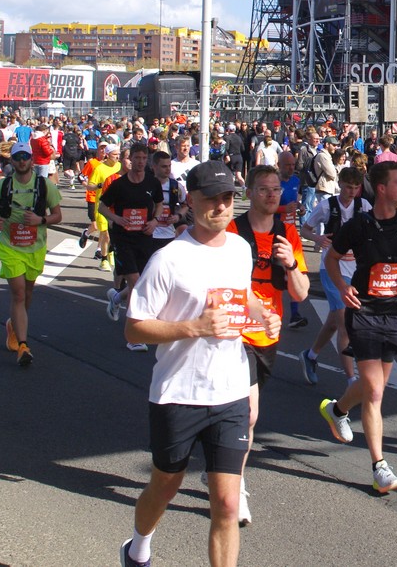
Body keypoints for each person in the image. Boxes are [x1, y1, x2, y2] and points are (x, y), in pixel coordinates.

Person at [120, 160, 280, 567]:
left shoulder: (240, 249)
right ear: (191, 200)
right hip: (178, 393)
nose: (221, 207)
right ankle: (137, 548)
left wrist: (262, 314)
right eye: (211, 199)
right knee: (165, 485)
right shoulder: (169, 260)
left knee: (226, 503)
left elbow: (243, 294)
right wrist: (193, 327)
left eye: (227, 198)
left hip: (230, 392)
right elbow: (134, 329)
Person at [318, 160, 397, 493]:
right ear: (381, 188)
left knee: (373, 387)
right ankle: (379, 466)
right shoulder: (359, 225)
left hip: (394, 312)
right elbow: (332, 258)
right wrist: (342, 287)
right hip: (363, 311)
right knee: (375, 390)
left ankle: (337, 409)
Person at [225, 164, 308, 527]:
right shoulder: (233, 232)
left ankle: (220, 463)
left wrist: (290, 265)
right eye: (264, 189)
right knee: (249, 413)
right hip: (234, 333)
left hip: (267, 337)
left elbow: (300, 293)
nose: (272, 195)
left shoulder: (287, 234)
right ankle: (236, 487)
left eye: (276, 189)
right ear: (250, 193)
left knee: (234, 414)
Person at [0, 141, 64, 368]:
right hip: (10, 245)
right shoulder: (3, 185)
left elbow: (58, 215)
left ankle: (13, 325)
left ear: (31, 160)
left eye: (25, 157)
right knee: (18, 293)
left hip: (35, 247)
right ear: (11, 160)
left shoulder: (44, 185)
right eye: (17, 157)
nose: (21, 161)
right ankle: (23, 346)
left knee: (27, 294)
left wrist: (41, 219)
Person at [299, 166, 368, 386]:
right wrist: (318, 239)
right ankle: (351, 380)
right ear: (340, 185)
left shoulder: (364, 206)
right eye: (348, 187)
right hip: (332, 268)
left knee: (334, 322)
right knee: (345, 323)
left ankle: (310, 355)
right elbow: (305, 229)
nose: (352, 192)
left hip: (355, 269)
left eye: (356, 188)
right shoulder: (327, 206)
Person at [101, 144, 165, 336]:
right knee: (136, 283)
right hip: (123, 239)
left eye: (144, 158)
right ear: (129, 160)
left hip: (144, 237)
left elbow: (159, 204)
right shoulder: (119, 184)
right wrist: (117, 218)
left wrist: (154, 221)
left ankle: (117, 298)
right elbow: (102, 207)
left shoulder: (152, 183)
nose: (140, 162)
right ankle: (134, 334)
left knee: (142, 282)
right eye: (136, 158)